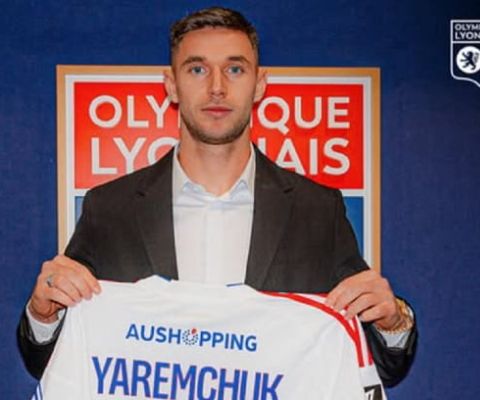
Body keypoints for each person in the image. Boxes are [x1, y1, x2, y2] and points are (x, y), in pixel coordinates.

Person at [16, 6, 416, 387]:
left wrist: (393, 322)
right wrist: (43, 315)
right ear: (171, 84)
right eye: (197, 69)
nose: (217, 87)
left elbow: (381, 364)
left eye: (235, 69)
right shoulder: (110, 209)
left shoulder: (317, 210)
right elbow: (51, 359)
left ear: (260, 84)